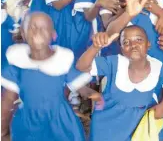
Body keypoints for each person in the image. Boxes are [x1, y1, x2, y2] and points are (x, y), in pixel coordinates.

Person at [76, 0, 163, 141]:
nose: (133, 45)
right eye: (126, 42)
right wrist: (95, 48)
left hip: (137, 130)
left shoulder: (157, 66)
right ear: (121, 48)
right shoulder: (114, 63)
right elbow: (81, 66)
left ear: (148, 45)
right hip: (107, 129)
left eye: (139, 40)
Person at [1, 12, 102, 141]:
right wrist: (3, 131)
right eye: (32, 27)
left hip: (61, 120)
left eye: (43, 28)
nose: (37, 31)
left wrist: (91, 93)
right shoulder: (17, 64)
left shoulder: (62, 61)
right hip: (29, 121)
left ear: (53, 34)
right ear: (24, 33)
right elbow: (7, 99)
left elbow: (77, 84)